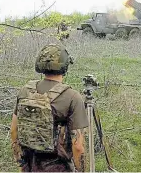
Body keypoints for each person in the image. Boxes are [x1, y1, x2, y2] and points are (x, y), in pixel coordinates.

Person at [10, 43, 88, 172]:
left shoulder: (25, 91)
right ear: (65, 66)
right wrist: (80, 170)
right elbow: (78, 146)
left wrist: (21, 163)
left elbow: (14, 130)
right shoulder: (72, 97)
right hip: (59, 167)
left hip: (29, 166)